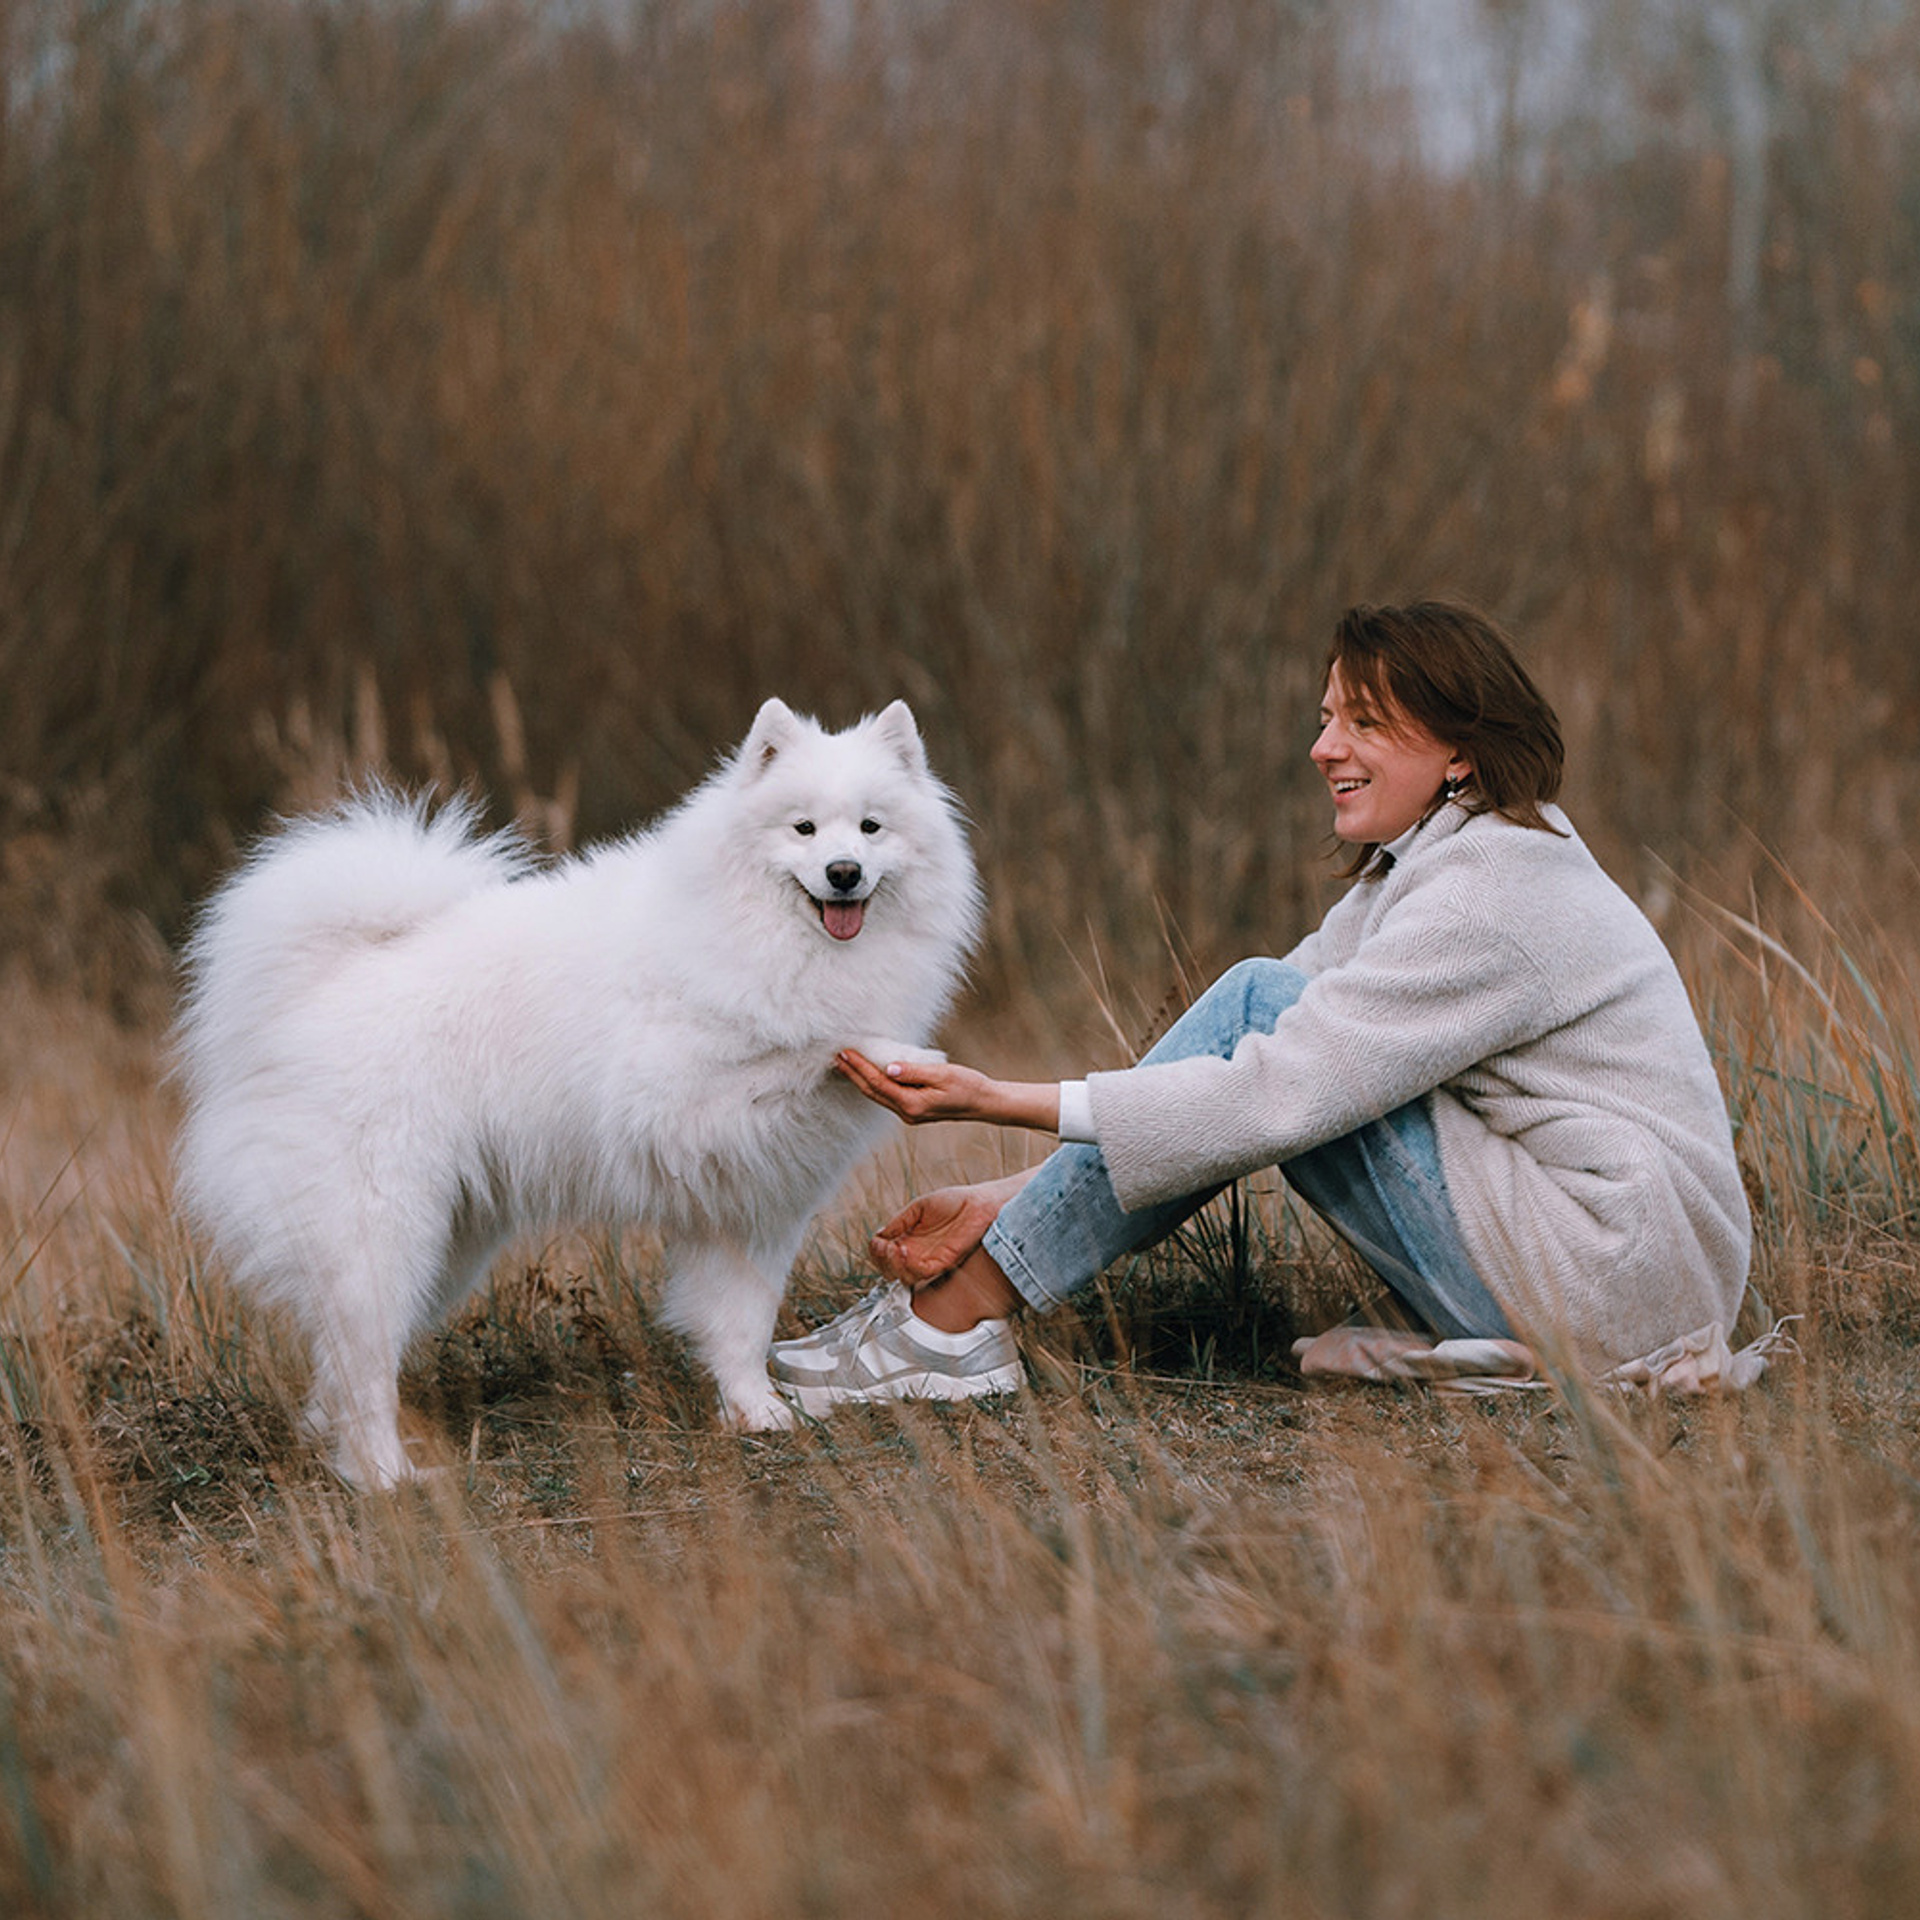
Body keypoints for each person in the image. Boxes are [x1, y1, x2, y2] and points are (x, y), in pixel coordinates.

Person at [768, 602, 1753, 1412]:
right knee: (1268, 1007)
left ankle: (949, 1327)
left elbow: (1270, 1081)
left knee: (1258, 1008)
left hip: (1613, 1277)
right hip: (1613, 1270)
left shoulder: (1490, 892)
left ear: (1459, 751)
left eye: (1365, 723)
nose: (1324, 747)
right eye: (1327, 718)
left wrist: (992, 1100)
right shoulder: (1437, 864)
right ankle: (954, 1309)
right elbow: (1251, 1065)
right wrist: (1013, 1198)